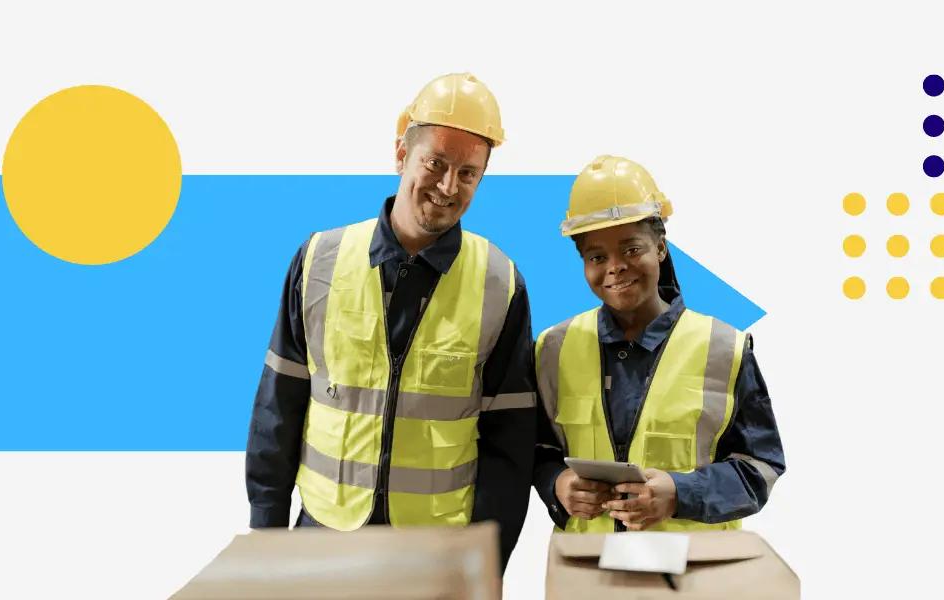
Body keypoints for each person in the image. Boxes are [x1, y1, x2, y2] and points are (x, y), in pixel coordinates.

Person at [246, 73, 536, 570]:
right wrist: (267, 535)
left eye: (468, 174)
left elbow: (509, 446)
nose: (448, 187)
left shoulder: (500, 283)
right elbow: (280, 404)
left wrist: (485, 563)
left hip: (435, 549)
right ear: (402, 154)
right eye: (436, 163)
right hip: (324, 535)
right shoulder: (319, 260)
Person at [533, 155, 785, 532]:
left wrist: (681, 493)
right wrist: (558, 484)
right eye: (597, 256)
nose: (615, 266)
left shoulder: (723, 349)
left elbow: (761, 466)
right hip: (585, 572)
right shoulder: (554, 348)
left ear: (661, 249)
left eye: (632, 249)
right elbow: (534, 449)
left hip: (691, 577)